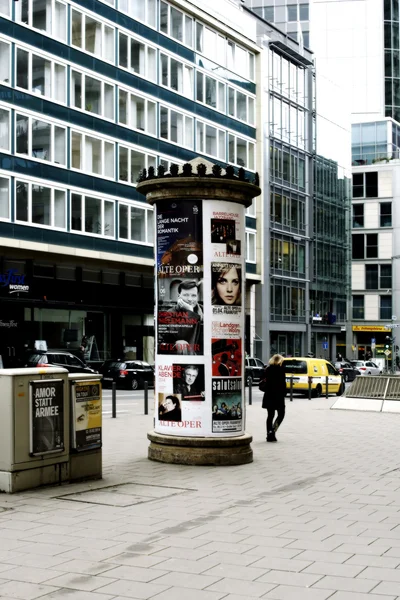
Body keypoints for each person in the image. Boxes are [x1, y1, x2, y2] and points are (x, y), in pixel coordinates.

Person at [160, 280, 203, 355]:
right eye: (186, 295)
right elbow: (181, 337)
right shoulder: (170, 313)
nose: (190, 299)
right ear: (178, 296)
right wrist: (190, 312)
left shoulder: (202, 311)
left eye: (193, 295)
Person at [261, 354, 287, 442]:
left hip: (269, 395)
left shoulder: (267, 369)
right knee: (281, 414)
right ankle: (272, 431)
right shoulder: (281, 370)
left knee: (270, 416)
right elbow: (283, 384)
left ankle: (269, 433)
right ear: (280, 361)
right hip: (278, 396)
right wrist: (284, 393)